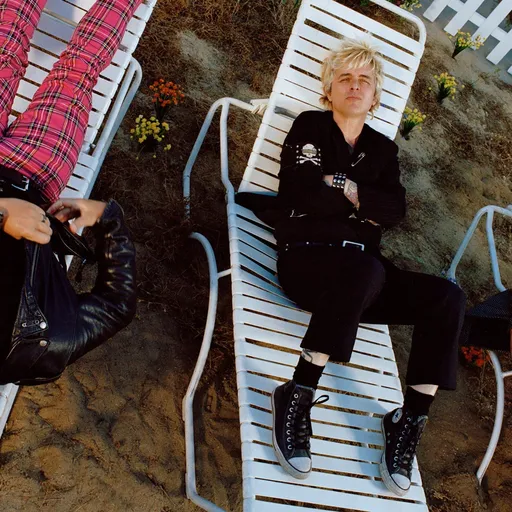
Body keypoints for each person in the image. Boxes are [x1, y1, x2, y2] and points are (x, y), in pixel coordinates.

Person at [268, 39, 467, 496]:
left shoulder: (383, 150)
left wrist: (341, 186)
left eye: (364, 80)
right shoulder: (310, 127)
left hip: (364, 276)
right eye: (345, 78)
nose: (354, 86)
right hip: (307, 263)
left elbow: (395, 212)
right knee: (365, 269)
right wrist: (362, 203)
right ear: (329, 90)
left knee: (447, 297)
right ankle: (297, 393)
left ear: (375, 95)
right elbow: (303, 194)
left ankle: (408, 420)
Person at [0, 0, 140, 384]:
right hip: (34, 174)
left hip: (24, 186)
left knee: (5, 49)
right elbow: (116, 307)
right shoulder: (36, 356)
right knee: (78, 71)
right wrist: (108, 221)